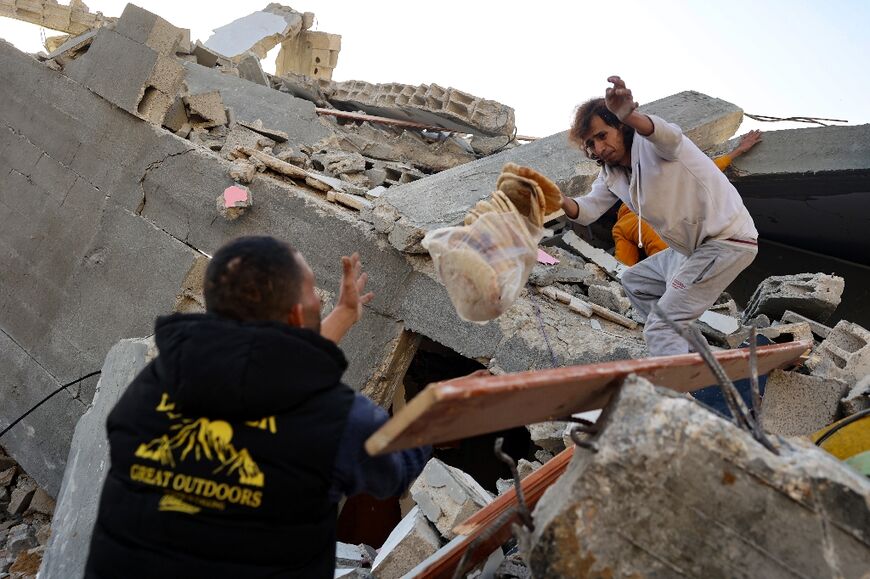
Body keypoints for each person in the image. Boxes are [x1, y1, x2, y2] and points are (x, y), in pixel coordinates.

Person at [85, 236, 431, 578]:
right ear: (297, 315)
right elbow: (395, 471)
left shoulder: (154, 382)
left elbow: (254, 375)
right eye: (313, 292)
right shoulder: (336, 417)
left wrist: (340, 318)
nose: (319, 300)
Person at [560, 76, 759, 357]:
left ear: (620, 126)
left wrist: (631, 115)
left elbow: (668, 135)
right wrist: (556, 199)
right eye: (591, 144)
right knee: (635, 282)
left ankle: (675, 393)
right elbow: (588, 209)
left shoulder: (652, 144)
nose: (599, 149)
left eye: (602, 136)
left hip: (726, 240)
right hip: (689, 250)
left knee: (660, 326)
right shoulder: (612, 173)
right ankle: (691, 356)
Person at [611, 130, 763, 265]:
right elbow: (705, 173)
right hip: (676, 243)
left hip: (667, 255)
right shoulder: (657, 189)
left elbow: (623, 262)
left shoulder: (620, 227)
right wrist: (738, 151)